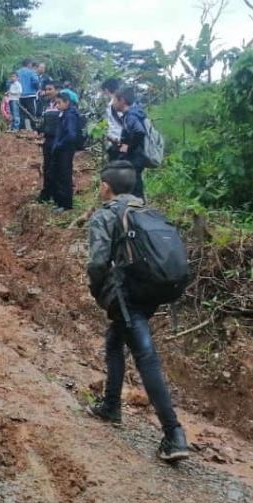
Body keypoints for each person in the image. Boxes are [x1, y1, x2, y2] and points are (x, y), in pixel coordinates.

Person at [85, 160, 189, 462]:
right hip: (152, 291)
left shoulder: (104, 216)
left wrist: (97, 289)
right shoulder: (147, 212)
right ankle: (111, 406)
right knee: (115, 339)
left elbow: (97, 262)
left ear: (106, 187)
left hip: (127, 294)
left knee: (145, 356)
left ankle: (174, 433)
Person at [113, 86, 148, 199]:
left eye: (114, 100)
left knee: (135, 189)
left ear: (122, 100)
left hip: (135, 157)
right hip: (138, 156)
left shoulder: (131, 116)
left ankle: (137, 212)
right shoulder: (135, 113)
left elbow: (139, 132)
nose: (113, 103)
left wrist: (128, 147)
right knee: (135, 186)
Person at [49, 91, 80, 211]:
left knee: (64, 176)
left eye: (59, 103)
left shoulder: (70, 115)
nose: (57, 106)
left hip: (65, 151)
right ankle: (60, 202)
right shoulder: (65, 113)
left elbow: (71, 135)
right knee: (59, 175)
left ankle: (65, 204)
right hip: (62, 150)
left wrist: (59, 144)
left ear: (67, 102)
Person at [37, 81, 60, 204]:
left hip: (59, 140)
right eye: (46, 89)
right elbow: (43, 122)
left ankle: (57, 194)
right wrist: (41, 130)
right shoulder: (46, 104)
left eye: (50, 89)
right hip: (48, 139)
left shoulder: (63, 104)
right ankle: (47, 193)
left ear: (57, 90)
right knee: (47, 167)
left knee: (56, 167)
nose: (47, 92)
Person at [101, 78, 123, 162]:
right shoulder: (125, 103)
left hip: (116, 143)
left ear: (106, 90)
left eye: (103, 91)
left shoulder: (112, 105)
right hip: (122, 142)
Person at [17, 59, 40, 131]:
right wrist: (37, 89)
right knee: (32, 113)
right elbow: (36, 81)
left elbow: (10, 82)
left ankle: (22, 129)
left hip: (19, 96)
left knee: (21, 114)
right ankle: (34, 129)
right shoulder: (31, 72)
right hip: (30, 96)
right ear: (29, 64)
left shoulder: (17, 72)